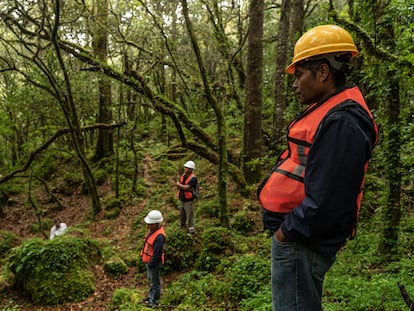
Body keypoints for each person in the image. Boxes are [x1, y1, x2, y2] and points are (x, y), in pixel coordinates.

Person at [257, 25, 378, 311]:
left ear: (323, 72)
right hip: (298, 240)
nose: (295, 84)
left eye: (299, 75)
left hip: (301, 242)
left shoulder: (343, 122)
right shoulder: (330, 111)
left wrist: (287, 231)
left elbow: (328, 201)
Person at [140, 210, 166, 307]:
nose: (148, 226)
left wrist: (151, 263)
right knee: (151, 281)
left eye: (150, 224)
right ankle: (151, 297)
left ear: (156, 224)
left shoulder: (159, 237)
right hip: (149, 261)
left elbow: (157, 253)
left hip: (154, 263)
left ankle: (154, 301)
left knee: (155, 282)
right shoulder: (152, 231)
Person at [176, 161, 198, 234]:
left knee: (189, 216)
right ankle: (182, 228)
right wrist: (182, 187)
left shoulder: (193, 178)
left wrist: (179, 185)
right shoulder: (183, 176)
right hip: (182, 198)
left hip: (189, 200)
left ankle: (191, 231)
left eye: (186, 167)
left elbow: (187, 187)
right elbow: (184, 187)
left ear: (191, 169)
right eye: (185, 167)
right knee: (182, 214)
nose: (185, 168)